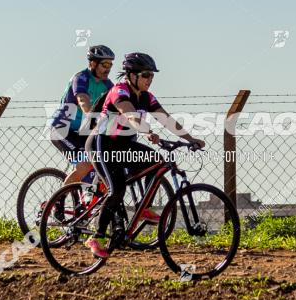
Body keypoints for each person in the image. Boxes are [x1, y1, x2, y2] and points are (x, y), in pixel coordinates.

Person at [83, 52, 205, 258]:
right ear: (132, 75)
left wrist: (190, 138)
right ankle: (97, 236)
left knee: (157, 162)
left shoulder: (147, 97)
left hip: (124, 145)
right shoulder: (119, 91)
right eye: (146, 75)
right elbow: (129, 114)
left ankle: (143, 207)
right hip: (101, 144)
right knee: (117, 190)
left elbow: (166, 119)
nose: (150, 80)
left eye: (152, 76)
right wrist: (147, 132)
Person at [49, 45, 115, 185]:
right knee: (85, 165)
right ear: (92, 63)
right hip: (62, 130)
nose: (108, 68)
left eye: (110, 64)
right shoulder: (81, 78)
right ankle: (57, 203)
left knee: (103, 163)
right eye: (105, 64)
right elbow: (82, 100)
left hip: (82, 132)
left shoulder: (108, 85)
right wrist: (95, 117)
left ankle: (88, 200)